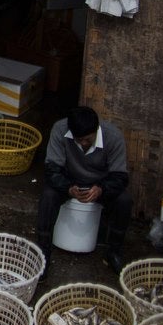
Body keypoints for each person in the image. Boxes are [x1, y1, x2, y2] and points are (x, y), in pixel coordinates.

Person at [37, 106, 131, 273]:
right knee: (48, 196)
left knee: (124, 201)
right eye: (79, 139)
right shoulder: (60, 130)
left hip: (100, 183)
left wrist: (101, 189)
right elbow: (52, 170)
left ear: (96, 130)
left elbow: (120, 176)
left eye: (88, 139)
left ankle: (113, 251)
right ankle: (43, 252)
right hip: (69, 180)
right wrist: (68, 188)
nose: (84, 143)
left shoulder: (113, 137)